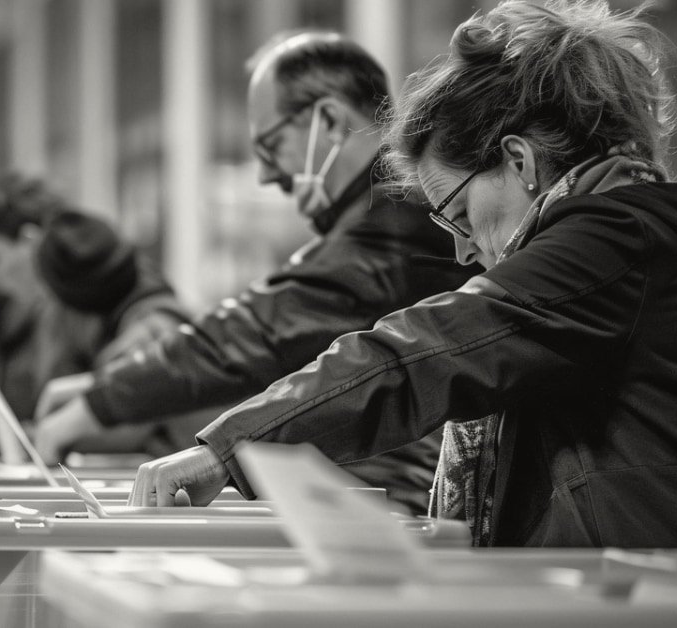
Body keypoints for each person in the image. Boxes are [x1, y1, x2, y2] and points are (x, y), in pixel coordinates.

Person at [126, 0, 677, 551]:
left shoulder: (617, 242)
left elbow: (425, 353)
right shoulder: (631, 238)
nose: (466, 253)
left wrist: (228, 449)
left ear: (520, 161)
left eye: (460, 214)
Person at [33, 31, 479, 515]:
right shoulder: (371, 221)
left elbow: (252, 332)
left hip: (401, 510)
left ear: (328, 119)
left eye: (270, 146)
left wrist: (98, 403)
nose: (266, 175)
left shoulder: (393, 220)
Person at [0, 174, 190, 454]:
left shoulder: (150, 321)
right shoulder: (63, 316)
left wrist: (8, 440)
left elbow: (127, 421)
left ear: (32, 243)